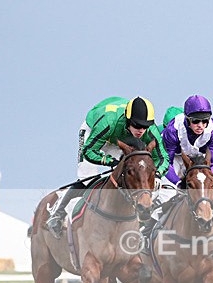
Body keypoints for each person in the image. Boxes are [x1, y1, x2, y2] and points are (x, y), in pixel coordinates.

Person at [46, 96, 158, 238]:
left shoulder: (149, 130)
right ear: (128, 121)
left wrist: (157, 174)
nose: (141, 130)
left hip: (119, 137)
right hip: (94, 135)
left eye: (145, 126)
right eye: (137, 126)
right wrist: (108, 161)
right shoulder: (107, 123)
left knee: (128, 175)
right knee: (87, 179)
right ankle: (58, 211)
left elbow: (161, 156)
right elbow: (89, 152)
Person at [161, 95, 213, 186]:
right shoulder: (173, 129)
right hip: (175, 157)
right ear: (187, 119)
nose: (200, 125)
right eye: (195, 121)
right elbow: (166, 162)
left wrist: (211, 178)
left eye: (205, 121)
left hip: (199, 157)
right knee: (169, 190)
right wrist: (177, 183)